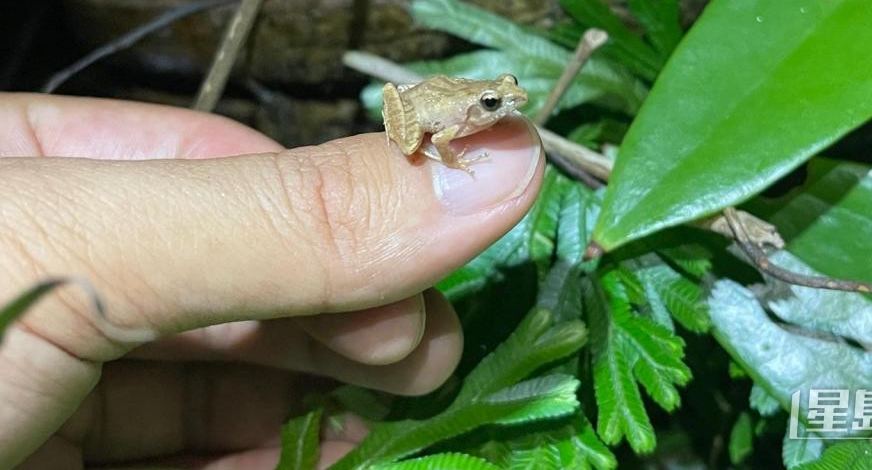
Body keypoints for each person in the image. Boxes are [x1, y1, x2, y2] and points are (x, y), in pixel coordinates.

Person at [0, 94, 544, 469]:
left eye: (504, 99)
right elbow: (441, 140)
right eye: (495, 104)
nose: (508, 107)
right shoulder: (456, 124)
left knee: (399, 344)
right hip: (423, 112)